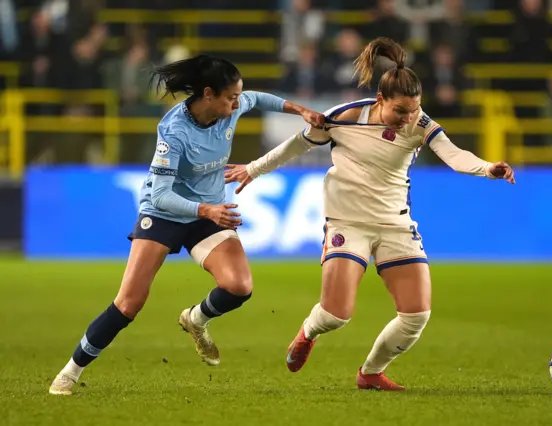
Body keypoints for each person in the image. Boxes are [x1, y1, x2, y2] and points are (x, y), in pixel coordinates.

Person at [224, 38, 515, 391]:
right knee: (335, 315)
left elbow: (453, 155)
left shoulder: (420, 124)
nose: (409, 118)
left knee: (416, 316)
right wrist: (254, 169)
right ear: (380, 101)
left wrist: (488, 168)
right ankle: (307, 333)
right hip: (347, 222)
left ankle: (371, 373)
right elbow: (297, 145)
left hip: (395, 223)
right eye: (401, 112)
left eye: (415, 110)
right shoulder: (345, 117)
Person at [49, 54, 324, 395]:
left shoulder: (233, 106)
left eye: (238, 96)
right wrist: (207, 210)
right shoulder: (174, 130)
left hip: (207, 212)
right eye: (231, 97)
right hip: (165, 213)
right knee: (128, 304)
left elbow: (259, 99)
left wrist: (301, 111)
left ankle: (196, 319)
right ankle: (70, 372)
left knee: (239, 287)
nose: (238, 103)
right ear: (208, 94)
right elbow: (162, 195)